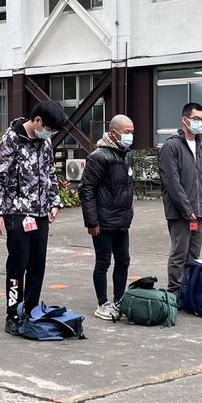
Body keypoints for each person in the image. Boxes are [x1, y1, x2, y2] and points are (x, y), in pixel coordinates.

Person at [0, 101, 66, 336]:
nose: (50, 133)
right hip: (18, 212)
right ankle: (12, 313)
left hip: (41, 212)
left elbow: (50, 172)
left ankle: (30, 309)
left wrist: (54, 201)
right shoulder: (12, 138)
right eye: (49, 128)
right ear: (38, 121)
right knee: (17, 265)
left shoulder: (45, 141)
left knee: (37, 264)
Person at [79, 115, 134, 320]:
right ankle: (102, 303)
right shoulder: (99, 156)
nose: (130, 136)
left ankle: (119, 299)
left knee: (123, 261)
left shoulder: (126, 154)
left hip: (122, 219)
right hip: (102, 221)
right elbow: (87, 190)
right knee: (103, 261)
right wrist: (92, 221)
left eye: (132, 131)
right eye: (127, 132)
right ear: (113, 133)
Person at [159, 102, 202, 294]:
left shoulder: (200, 147)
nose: (200, 123)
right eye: (196, 119)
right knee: (179, 253)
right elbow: (172, 182)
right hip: (180, 213)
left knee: (193, 255)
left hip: (198, 212)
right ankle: (174, 293)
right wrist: (186, 209)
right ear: (185, 119)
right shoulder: (171, 146)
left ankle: (188, 291)